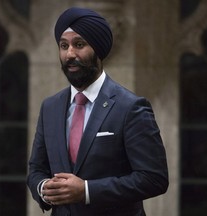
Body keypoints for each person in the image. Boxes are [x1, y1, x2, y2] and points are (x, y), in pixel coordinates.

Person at [27, 7, 169, 216]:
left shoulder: (130, 107)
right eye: (64, 46)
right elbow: (36, 170)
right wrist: (44, 189)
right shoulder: (50, 107)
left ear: (98, 50)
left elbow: (154, 178)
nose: (70, 54)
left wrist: (86, 191)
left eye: (79, 45)